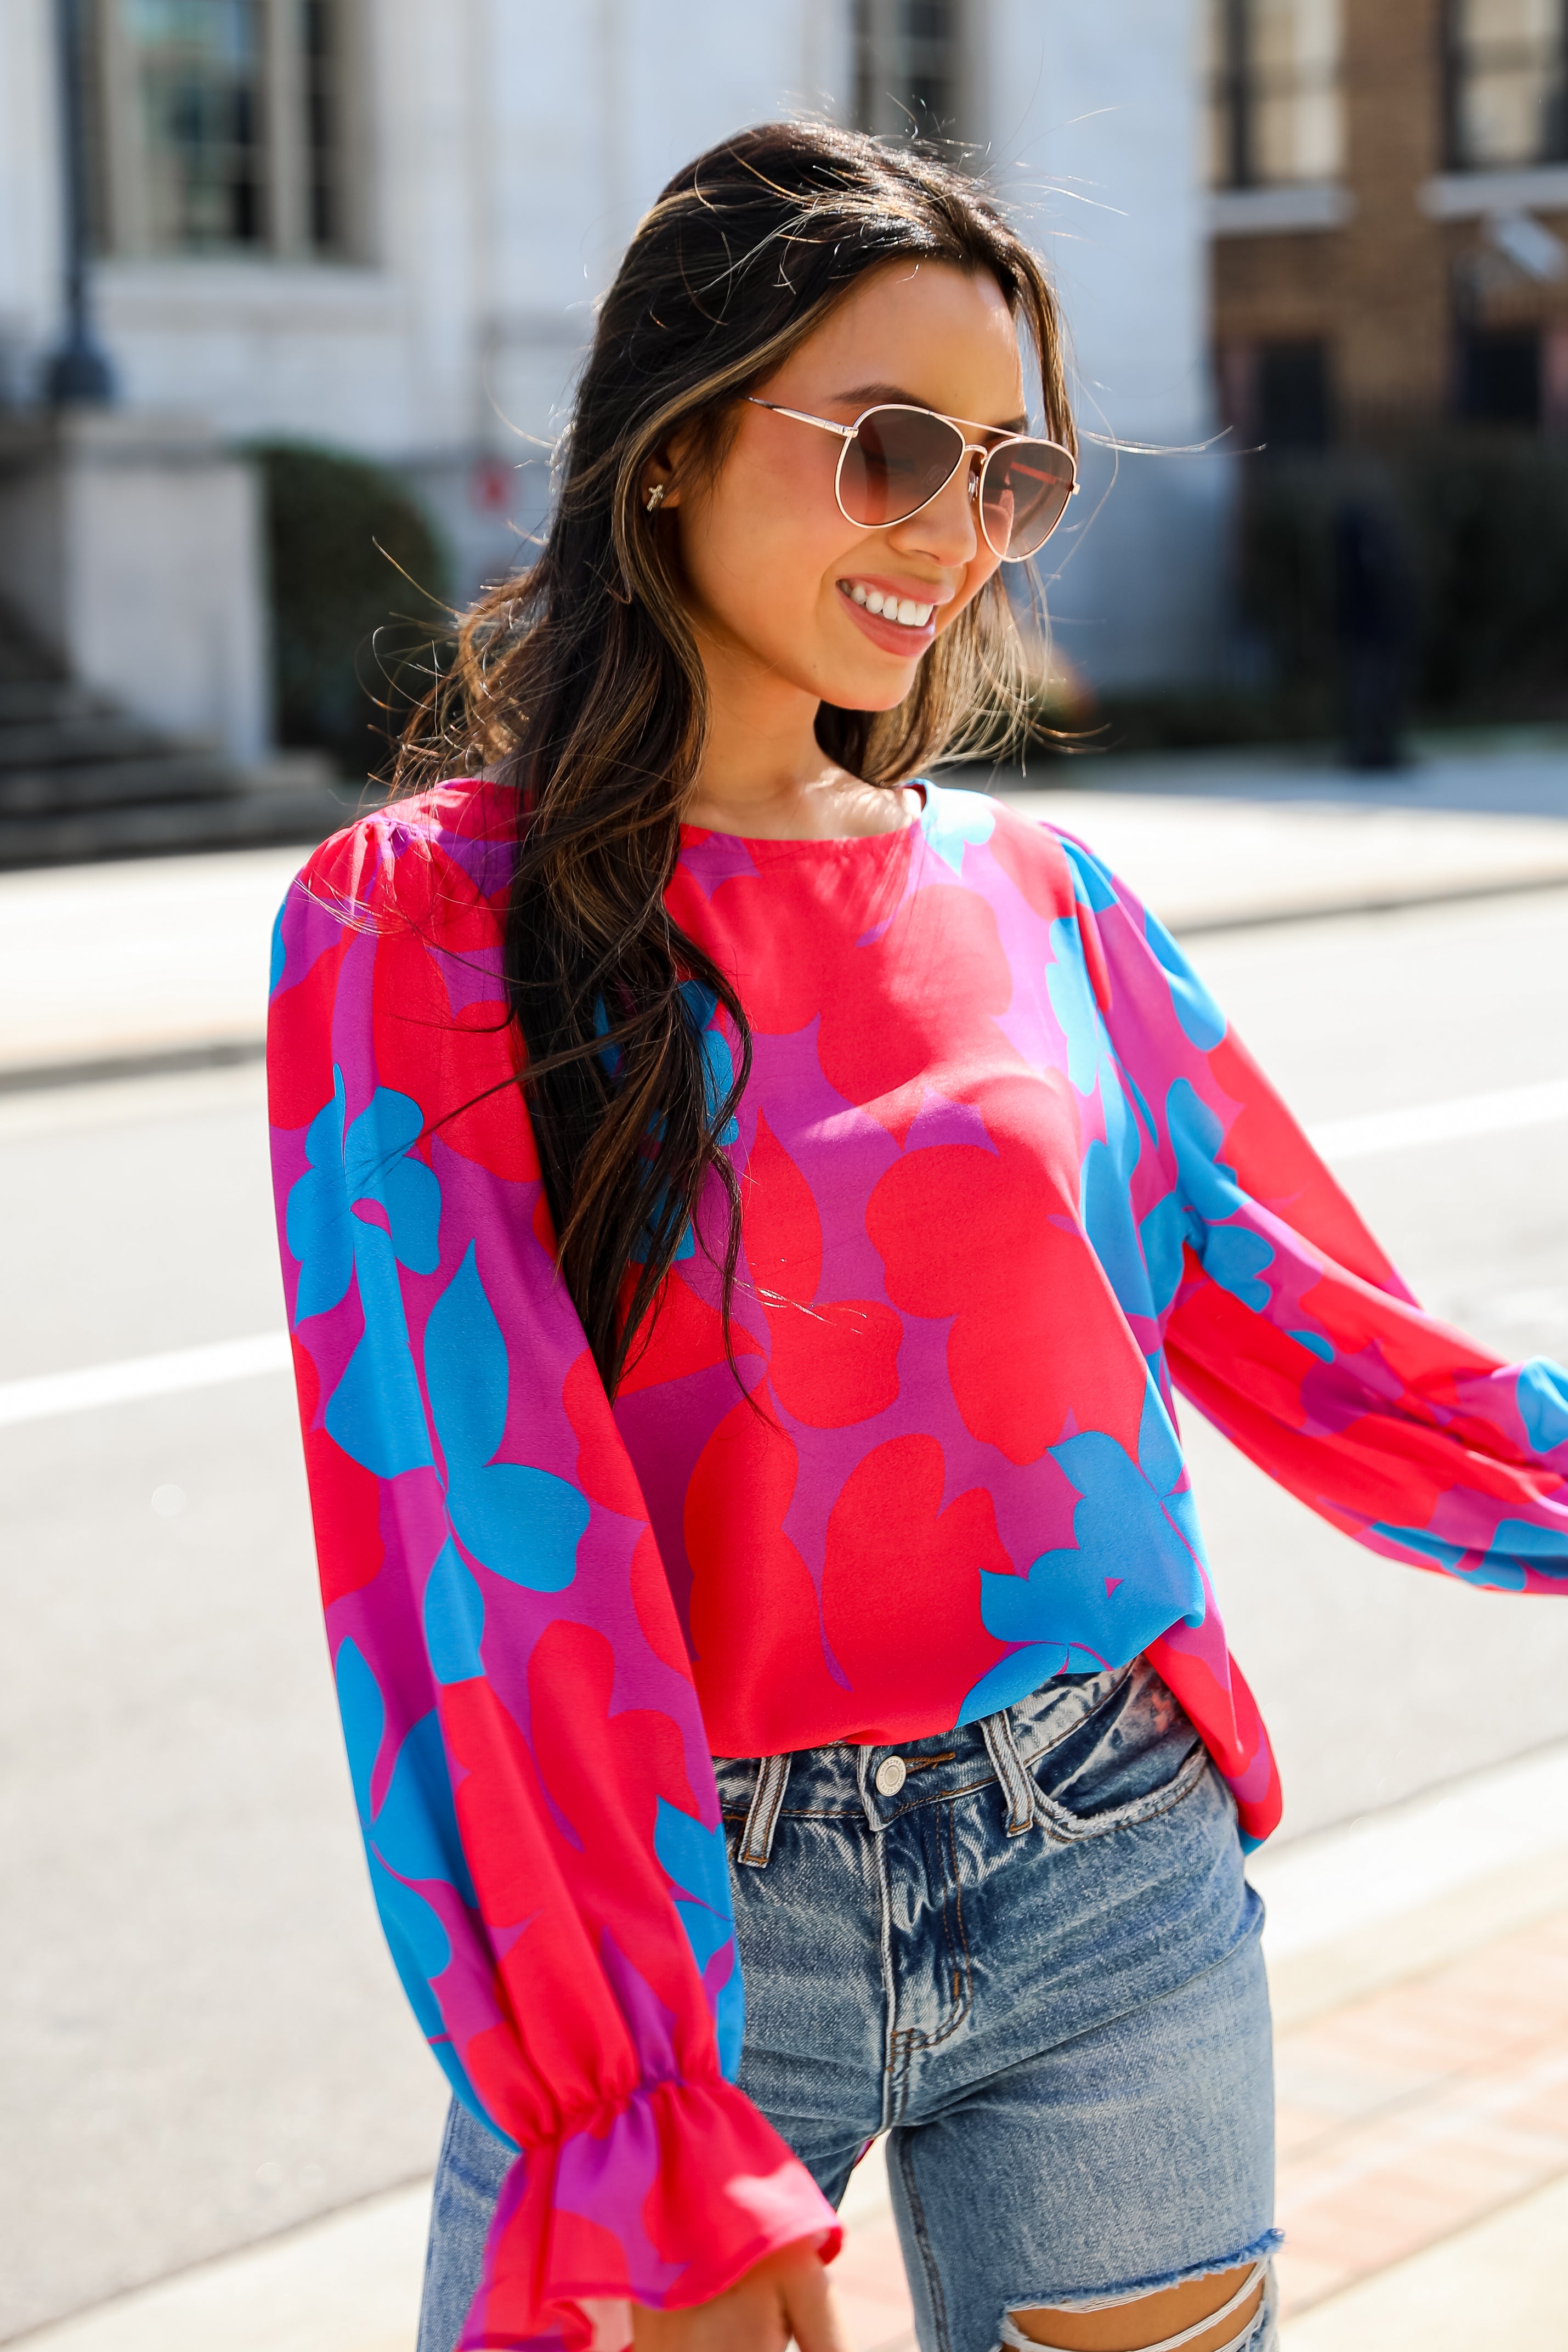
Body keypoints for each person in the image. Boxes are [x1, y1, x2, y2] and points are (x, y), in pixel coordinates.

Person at [266, 123, 1568, 2352]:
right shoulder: (420, 923)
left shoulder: (1045, 906)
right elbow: (469, 1557)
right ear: (671, 451)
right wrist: (646, 2117)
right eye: (889, 449)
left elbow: (1333, 1341)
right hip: (686, 1942)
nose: (954, 534)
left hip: (1105, 1871)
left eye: (1005, 476)